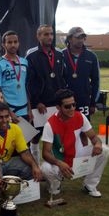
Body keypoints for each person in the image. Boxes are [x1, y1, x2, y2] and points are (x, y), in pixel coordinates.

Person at [40, 89, 109, 199]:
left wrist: (98, 144)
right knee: (45, 168)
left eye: (74, 104)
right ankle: (55, 186)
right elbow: (46, 153)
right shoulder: (50, 124)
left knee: (104, 150)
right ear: (58, 107)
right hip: (60, 159)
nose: (72, 108)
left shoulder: (80, 116)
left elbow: (93, 137)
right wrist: (59, 163)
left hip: (77, 155)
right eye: (67, 106)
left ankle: (90, 185)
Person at [26, 24, 66, 163]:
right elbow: (30, 82)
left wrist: (61, 101)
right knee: (36, 136)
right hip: (40, 104)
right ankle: (36, 166)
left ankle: (54, 166)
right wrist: (36, 102)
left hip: (55, 104)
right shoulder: (32, 55)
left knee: (55, 135)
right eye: (45, 34)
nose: (49, 37)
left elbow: (61, 78)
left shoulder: (59, 54)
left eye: (51, 34)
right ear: (38, 36)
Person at [0, 102, 43, 181]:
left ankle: (26, 191)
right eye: (0, 117)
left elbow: (24, 152)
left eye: (6, 116)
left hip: (8, 162)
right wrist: (3, 182)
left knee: (30, 167)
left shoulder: (15, 128)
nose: (4, 120)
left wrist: (34, 166)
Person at [0, 30, 30, 122]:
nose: (13, 45)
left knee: (25, 136)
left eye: (15, 42)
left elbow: (26, 87)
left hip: (24, 109)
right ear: (3, 44)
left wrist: (29, 109)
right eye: (9, 42)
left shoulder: (24, 62)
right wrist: (9, 112)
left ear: (18, 43)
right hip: (8, 111)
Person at [62, 27, 100, 120]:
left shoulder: (91, 56)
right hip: (66, 100)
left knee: (83, 128)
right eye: (78, 37)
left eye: (83, 37)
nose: (81, 40)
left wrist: (93, 103)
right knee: (67, 127)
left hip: (84, 100)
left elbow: (96, 81)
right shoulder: (61, 55)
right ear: (70, 39)